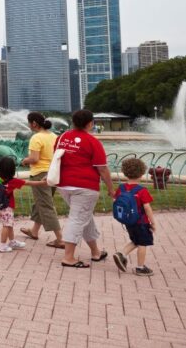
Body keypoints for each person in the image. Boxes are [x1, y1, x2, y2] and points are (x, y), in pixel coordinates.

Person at [55, 109, 113, 268]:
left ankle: (96, 252)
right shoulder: (92, 142)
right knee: (77, 219)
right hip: (84, 186)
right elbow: (102, 169)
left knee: (83, 216)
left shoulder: (62, 138)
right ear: (90, 123)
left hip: (64, 185)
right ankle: (68, 257)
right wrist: (111, 189)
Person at [19, 112, 63, 248]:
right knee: (40, 203)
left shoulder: (36, 137)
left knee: (46, 206)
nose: (28, 125)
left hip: (39, 174)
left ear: (34, 123)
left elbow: (34, 159)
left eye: (29, 122)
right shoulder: (54, 136)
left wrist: (24, 161)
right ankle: (34, 231)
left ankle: (60, 239)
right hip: (53, 174)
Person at [0, 157, 48, 253]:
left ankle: (12, 241)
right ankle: (2, 245)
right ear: (12, 170)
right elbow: (29, 182)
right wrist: (43, 182)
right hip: (7, 206)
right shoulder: (12, 181)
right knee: (6, 225)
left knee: (9, 224)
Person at [112, 159, 157, 276]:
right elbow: (147, 208)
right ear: (142, 174)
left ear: (125, 173)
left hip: (128, 221)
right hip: (141, 222)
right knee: (143, 243)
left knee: (136, 240)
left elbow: (115, 201)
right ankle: (140, 267)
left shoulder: (121, 188)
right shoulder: (142, 190)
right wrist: (153, 223)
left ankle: (121, 254)